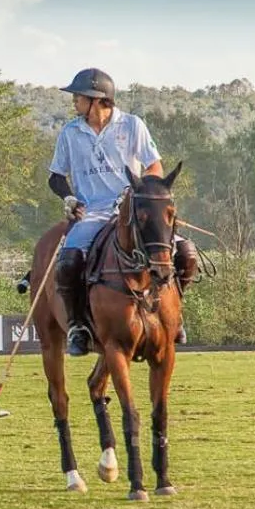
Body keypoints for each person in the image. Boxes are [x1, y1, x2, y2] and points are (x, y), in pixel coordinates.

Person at [48, 68, 199, 356]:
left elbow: (154, 166)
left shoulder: (132, 125)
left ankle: (174, 315)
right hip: (91, 213)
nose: (74, 101)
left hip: (133, 212)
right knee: (68, 261)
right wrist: (67, 197)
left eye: (78, 96)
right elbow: (55, 175)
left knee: (187, 254)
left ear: (96, 99)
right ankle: (78, 325)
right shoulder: (70, 132)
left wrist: (142, 193)